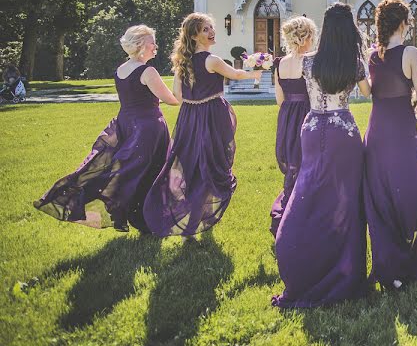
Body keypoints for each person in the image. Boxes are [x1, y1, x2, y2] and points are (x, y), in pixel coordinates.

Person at [273, 2, 372, 308]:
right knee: (345, 198)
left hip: (313, 128)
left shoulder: (307, 63)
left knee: (310, 190)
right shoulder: (354, 63)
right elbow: (368, 93)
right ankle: (344, 267)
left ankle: (301, 253)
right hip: (343, 129)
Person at [34, 25, 178, 232]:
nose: (155, 45)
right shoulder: (148, 71)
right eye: (152, 42)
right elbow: (171, 100)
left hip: (125, 124)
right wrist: (184, 86)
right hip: (148, 127)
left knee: (129, 171)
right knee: (151, 173)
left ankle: (140, 217)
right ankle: (147, 219)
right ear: (140, 45)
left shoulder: (120, 70)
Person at [143, 14, 261, 238]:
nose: (211, 32)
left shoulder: (182, 62)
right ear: (195, 35)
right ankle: (197, 217)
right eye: (205, 29)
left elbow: (178, 95)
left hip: (189, 116)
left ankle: (194, 215)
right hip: (212, 116)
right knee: (212, 164)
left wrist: (193, 99)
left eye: (211, 28)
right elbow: (235, 74)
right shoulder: (211, 60)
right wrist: (255, 73)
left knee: (193, 164)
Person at [364, 0, 417, 290]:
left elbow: (371, 91)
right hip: (401, 127)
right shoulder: (410, 52)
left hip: (376, 130)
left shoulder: (373, 55)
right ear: (402, 23)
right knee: (409, 184)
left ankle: (388, 251)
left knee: (381, 189)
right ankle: (407, 244)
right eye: (409, 20)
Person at [269, 16, 317, 236]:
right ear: (307, 36)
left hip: (286, 115)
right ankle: (304, 209)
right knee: (308, 162)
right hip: (306, 112)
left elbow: (279, 99)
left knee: (293, 160)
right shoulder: (311, 61)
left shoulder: (280, 63)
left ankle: (291, 203)